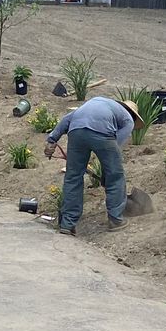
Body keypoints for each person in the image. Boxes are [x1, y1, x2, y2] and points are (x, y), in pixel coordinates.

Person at [44, 95, 142, 234]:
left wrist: (52, 140)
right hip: (102, 133)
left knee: (73, 177)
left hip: (76, 131)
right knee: (116, 176)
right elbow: (116, 144)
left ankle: (67, 224)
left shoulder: (99, 103)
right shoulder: (128, 119)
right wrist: (108, 172)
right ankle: (115, 220)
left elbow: (66, 120)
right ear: (133, 114)